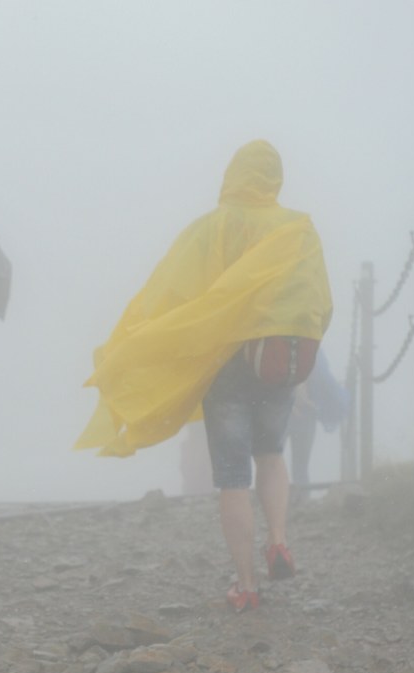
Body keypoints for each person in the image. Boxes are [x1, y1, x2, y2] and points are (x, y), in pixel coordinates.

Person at [77, 140, 332, 613]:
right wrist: (299, 366)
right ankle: (278, 541)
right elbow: (317, 301)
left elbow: (172, 290)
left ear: (233, 174)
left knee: (233, 477)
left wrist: (151, 341)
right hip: (277, 359)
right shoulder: (298, 229)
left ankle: (246, 584)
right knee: (272, 453)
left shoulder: (211, 227)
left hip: (228, 364)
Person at [287, 349, 349, 503]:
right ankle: (300, 501)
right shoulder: (312, 352)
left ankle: (284, 501)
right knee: (299, 462)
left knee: (272, 459)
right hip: (303, 411)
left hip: (285, 410)